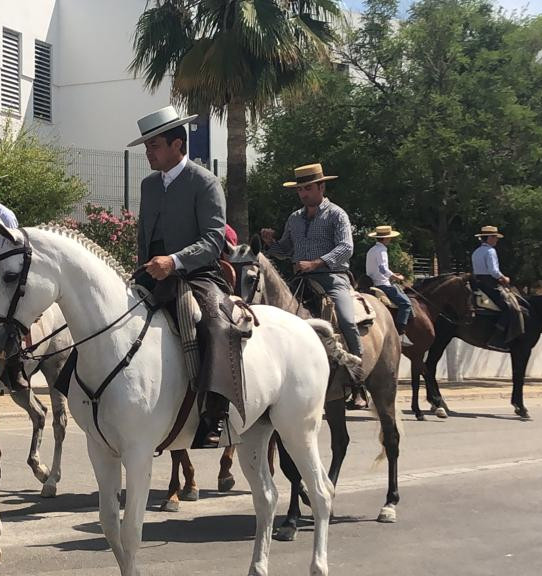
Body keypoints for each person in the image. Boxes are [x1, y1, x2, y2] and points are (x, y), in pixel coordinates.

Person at [129, 105, 242, 449]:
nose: (149, 152)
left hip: (198, 275)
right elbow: (142, 235)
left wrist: (175, 261)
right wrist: (142, 269)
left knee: (216, 326)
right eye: (147, 147)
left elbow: (213, 240)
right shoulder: (149, 186)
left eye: (155, 146)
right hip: (151, 275)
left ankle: (215, 412)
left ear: (178, 144)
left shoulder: (205, 182)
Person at [260, 163, 364, 373]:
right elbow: (286, 250)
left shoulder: (337, 215)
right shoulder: (294, 218)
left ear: (321, 187)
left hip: (332, 278)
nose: (303, 194)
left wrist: (316, 262)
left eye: (308, 188)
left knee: (345, 320)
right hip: (299, 280)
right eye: (300, 189)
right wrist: (271, 243)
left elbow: (346, 247)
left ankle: (357, 370)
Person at [471, 225, 523, 346]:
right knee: (509, 307)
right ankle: (497, 337)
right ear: (488, 238)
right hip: (490, 285)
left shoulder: (476, 252)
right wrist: (504, 278)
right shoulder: (490, 251)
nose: (496, 240)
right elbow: (493, 271)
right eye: (494, 237)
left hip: (478, 283)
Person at [365, 225, 413, 346]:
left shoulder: (372, 250)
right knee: (406, 304)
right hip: (382, 284)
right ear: (385, 239)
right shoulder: (382, 250)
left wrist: (390, 274)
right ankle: (400, 334)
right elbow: (382, 268)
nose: (390, 240)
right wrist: (396, 277)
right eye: (389, 238)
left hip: (372, 281)